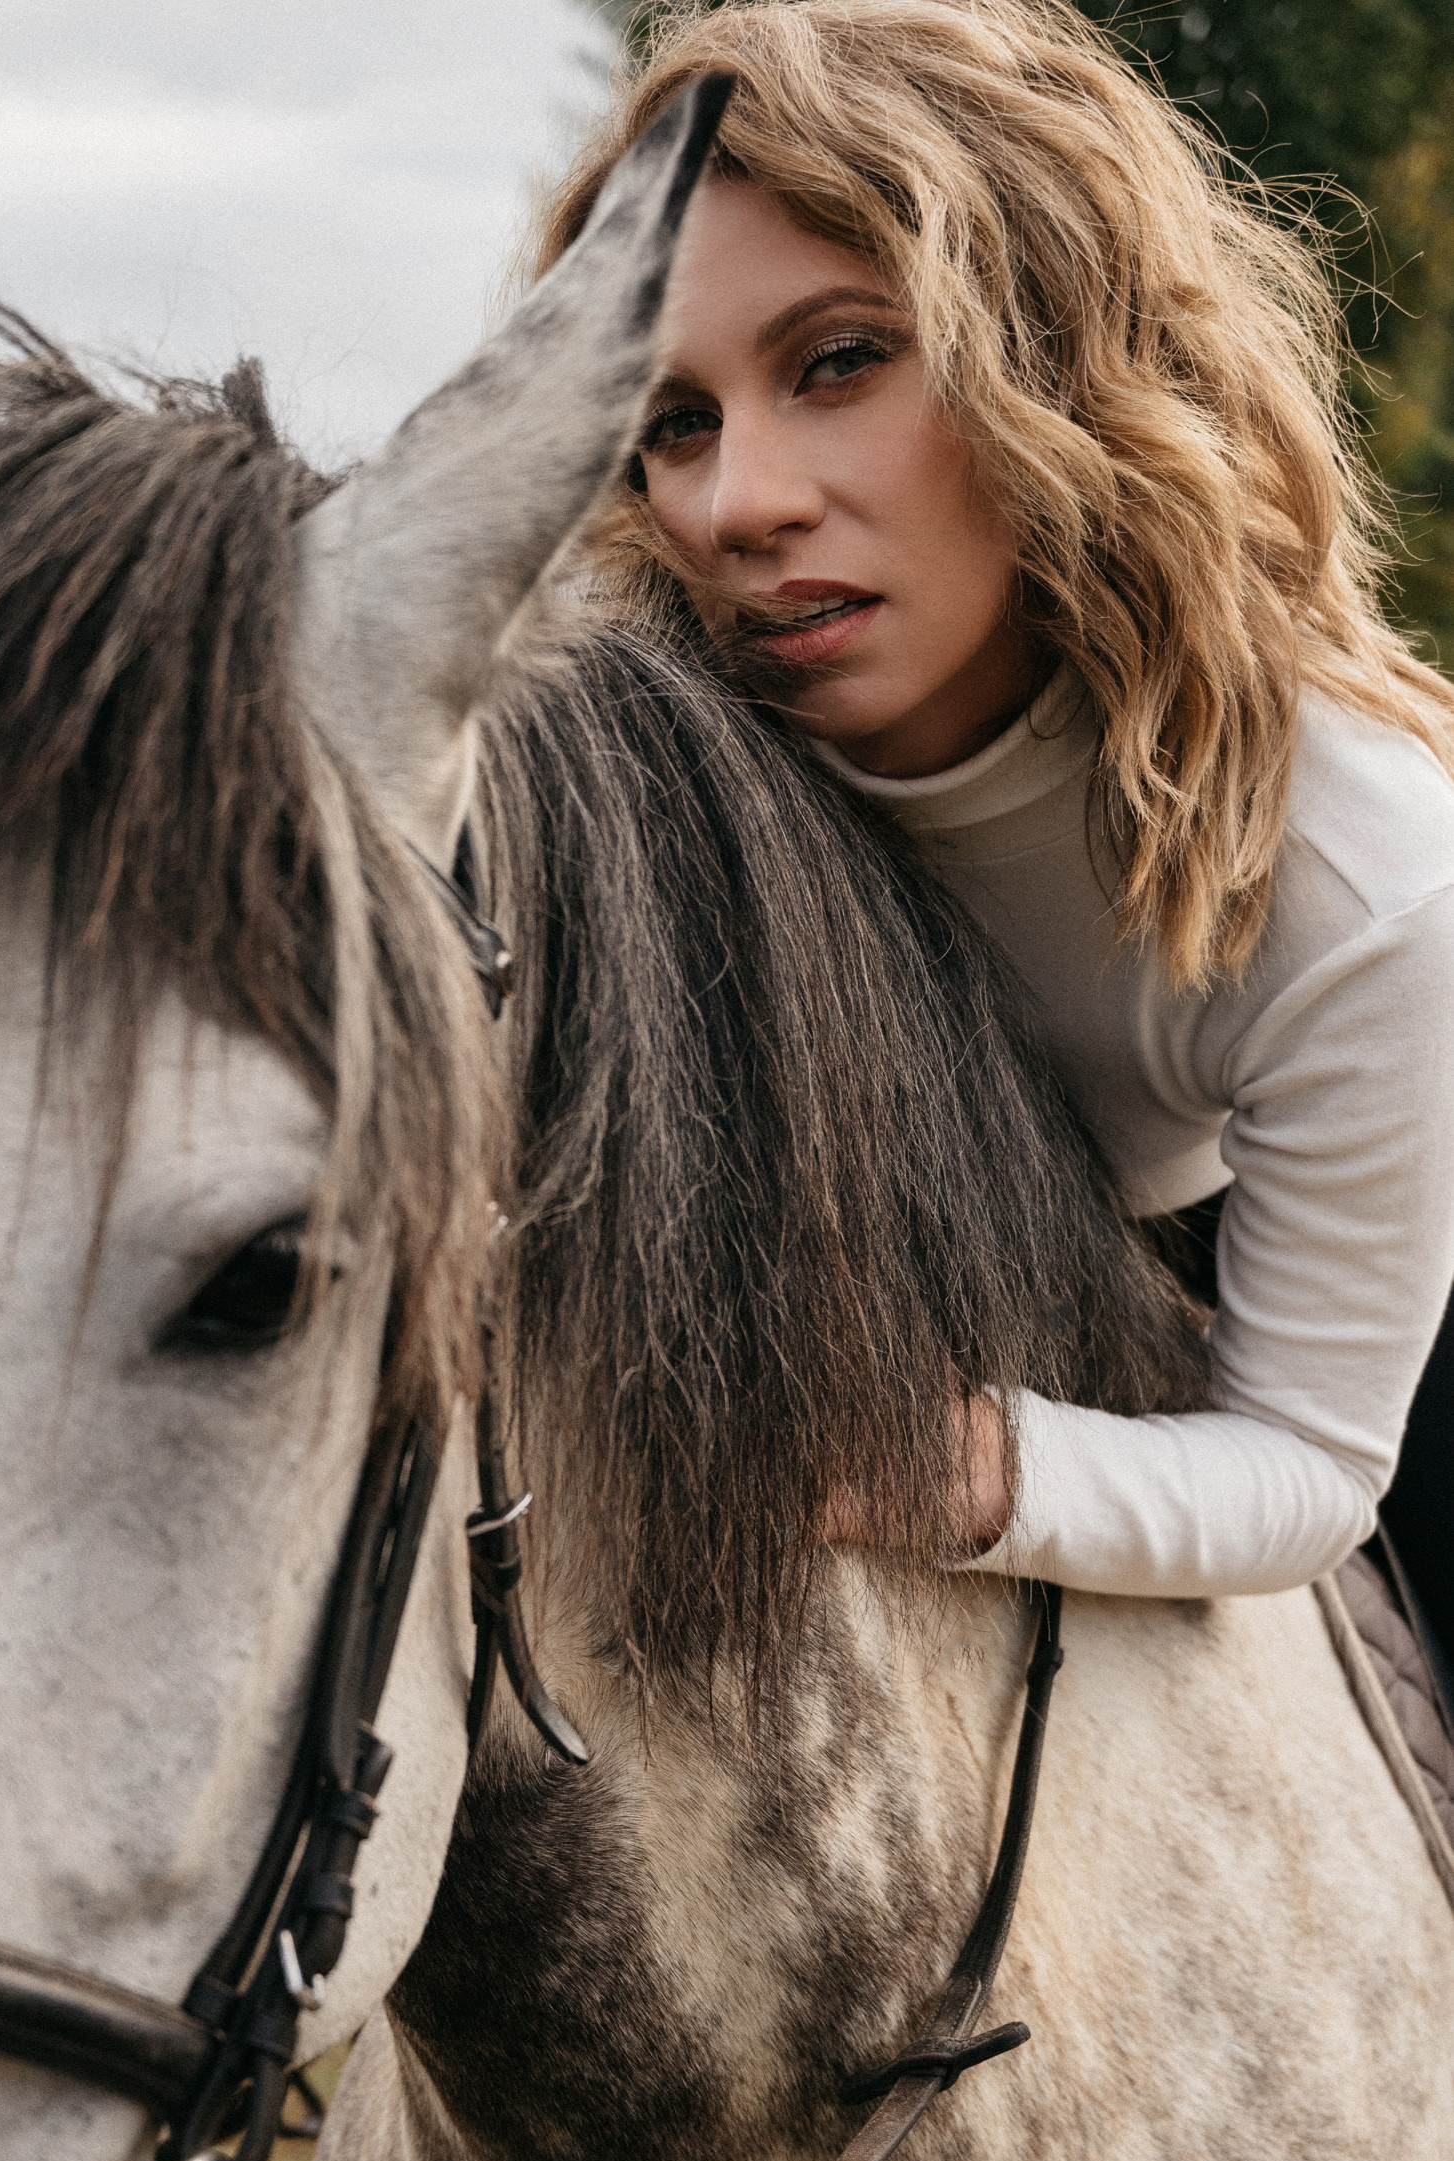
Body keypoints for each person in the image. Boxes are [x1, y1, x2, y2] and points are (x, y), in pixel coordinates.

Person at [536, 0, 1454, 1666]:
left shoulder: (1368, 880)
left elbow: (1312, 1461)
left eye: (837, 362)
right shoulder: (632, 740)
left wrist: (957, 1470)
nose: (738, 504)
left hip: (1286, 1281)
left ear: (1051, 350)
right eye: (674, 422)